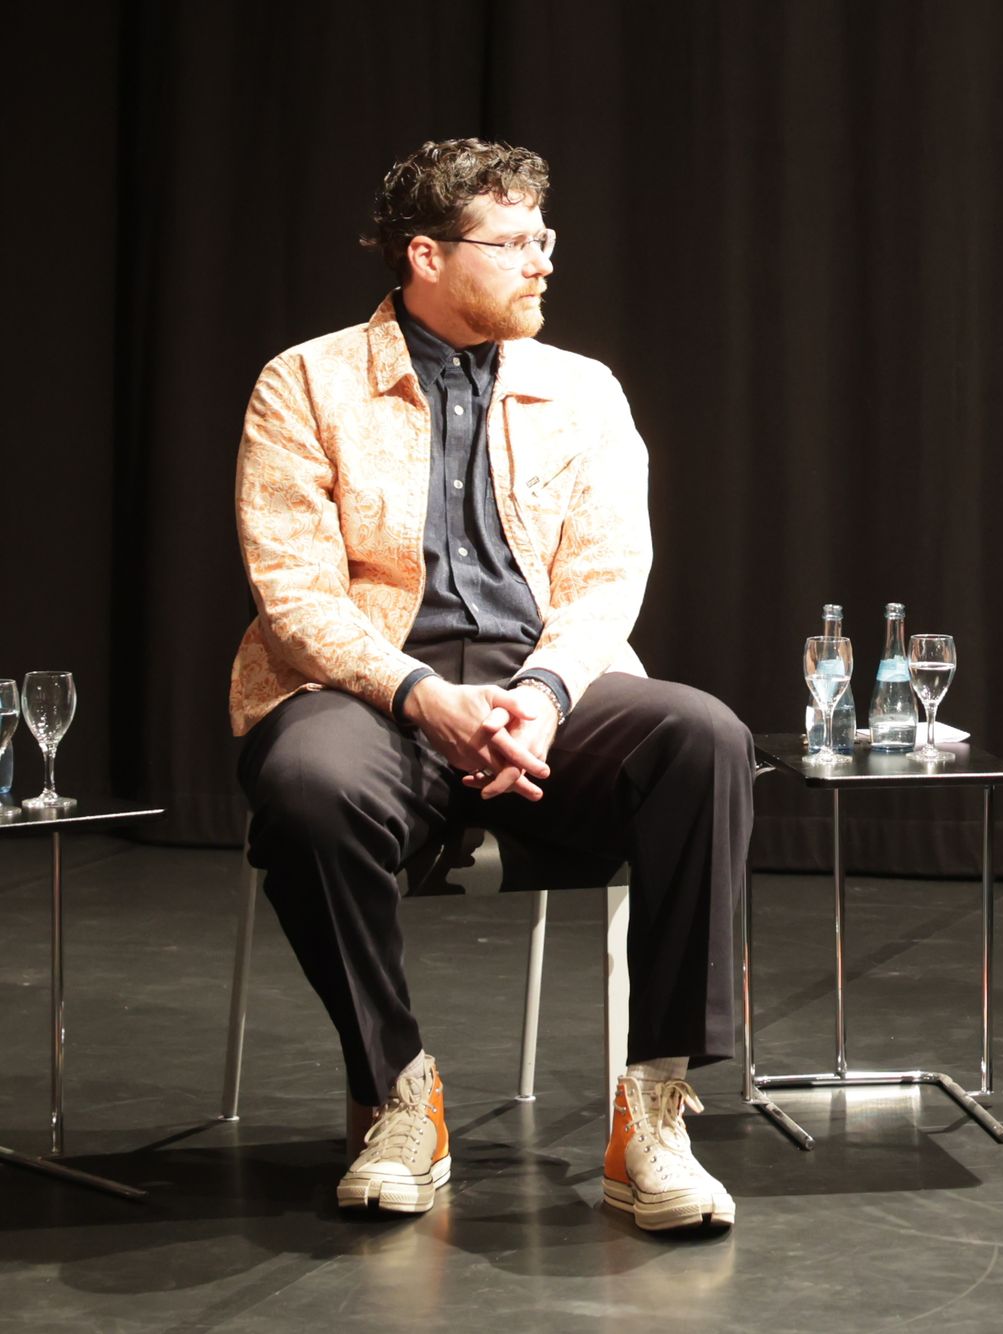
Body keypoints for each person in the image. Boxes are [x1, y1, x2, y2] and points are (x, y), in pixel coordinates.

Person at [231, 139, 753, 1232]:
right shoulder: (306, 381)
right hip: (370, 693)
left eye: (543, 238)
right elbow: (294, 595)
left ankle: (655, 1109)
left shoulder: (582, 389)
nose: (541, 261)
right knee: (306, 784)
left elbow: (609, 575)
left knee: (703, 736)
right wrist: (426, 696)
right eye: (513, 242)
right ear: (425, 254)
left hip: (543, 688)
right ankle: (398, 1091)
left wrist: (545, 697)